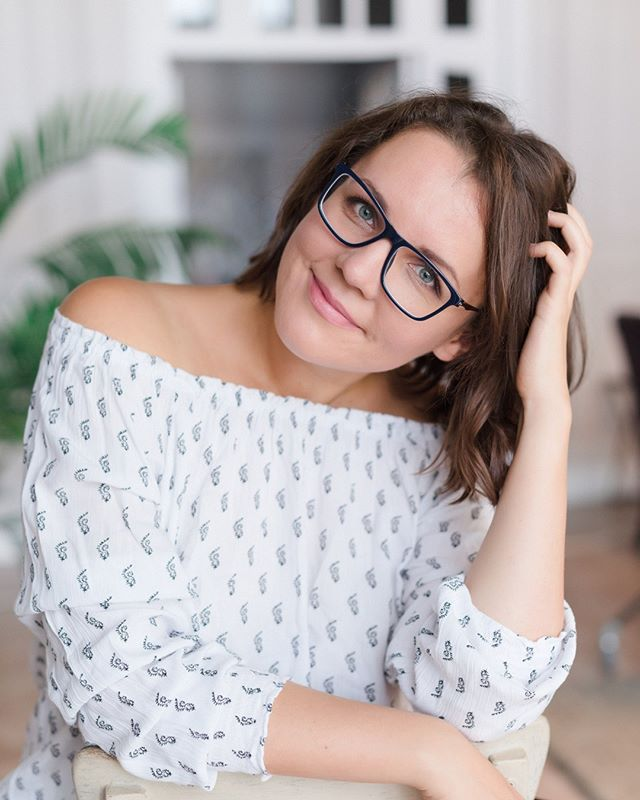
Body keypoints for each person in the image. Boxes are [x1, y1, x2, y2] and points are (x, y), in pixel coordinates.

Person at [0, 91, 590, 800]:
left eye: (425, 274)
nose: (359, 269)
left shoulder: (433, 439)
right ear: (321, 189)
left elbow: (482, 700)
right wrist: (431, 755)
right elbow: (120, 680)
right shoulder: (118, 342)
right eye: (363, 210)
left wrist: (548, 414)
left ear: (462, 337)